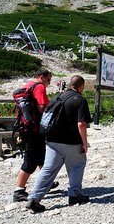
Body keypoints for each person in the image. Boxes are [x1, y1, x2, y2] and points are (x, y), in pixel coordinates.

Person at [26, 75, 92, 213]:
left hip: (52, 141)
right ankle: (75, 194)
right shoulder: (80, 100)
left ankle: (34, 198)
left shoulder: (58, 97)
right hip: (72, 141)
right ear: (81, 86)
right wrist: (85, 143)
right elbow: (81, 124)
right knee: (77, 166)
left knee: (48, 170)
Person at [12, 69, 55, 203]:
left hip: (26, 128)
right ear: (41, 77)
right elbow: (42, 107)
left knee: (41, 156)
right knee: (30, 160)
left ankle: (45, 183)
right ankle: (19, 191)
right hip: (34, 129)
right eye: (48, 80)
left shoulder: (27, 87)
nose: (49, 83)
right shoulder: (39, 87)